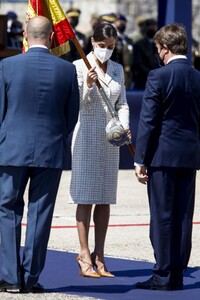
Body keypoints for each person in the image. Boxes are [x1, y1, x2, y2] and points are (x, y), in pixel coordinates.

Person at [0, 16, 79, 293]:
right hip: (51, 150)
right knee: (40, 214)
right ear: (51, 37)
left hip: (11, 150)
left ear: (25, 34)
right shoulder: (67, 70)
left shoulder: (6, 66)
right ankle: (31, 278)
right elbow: (72, 116)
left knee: (7, 210)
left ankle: (10, 277)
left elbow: (0, 110)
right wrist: (56, 138)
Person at [134, 23, 200, 290]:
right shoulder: (197, 77)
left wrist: (140, 160)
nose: (157, 53)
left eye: (158, 48)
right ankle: (178, 273)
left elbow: (148, 121)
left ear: (166, 48)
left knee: (162, 215)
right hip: (189, 155)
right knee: (184, 216)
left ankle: (163, 275)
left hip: (162, 156)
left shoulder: (158, 77)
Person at [70, 22, 130, 278]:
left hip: (110, 139)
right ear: (92, 43)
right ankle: (83, 254)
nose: (106, 50)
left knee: (105, 198)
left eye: (111, 47)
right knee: (85, 197)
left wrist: (125, 125)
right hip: (86, 137)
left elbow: (123, 102)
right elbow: (76, 104)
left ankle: (100, 254)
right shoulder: (78, 65)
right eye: (102, 46)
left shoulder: (116, 69)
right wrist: (89, 85)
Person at [132, 18, 159, 90]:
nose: (153, 29)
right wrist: (151, 74)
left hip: (157, 80)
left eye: (154, 27)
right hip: (143, 81)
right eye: (151, 27)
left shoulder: (158, 45)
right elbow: (138, 63)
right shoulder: (138, 45)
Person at [111, 13, 134, 89]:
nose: (121, 24)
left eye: (123, 22)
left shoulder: (129, 40)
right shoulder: (113, 39)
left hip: (127, 73)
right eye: (119, 22)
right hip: (115, 70)